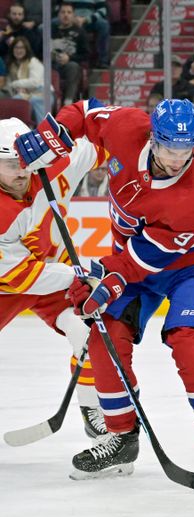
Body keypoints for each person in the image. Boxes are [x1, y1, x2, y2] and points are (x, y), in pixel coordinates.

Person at [14, 99, 194, 479]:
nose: (178, 160)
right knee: (102, 335)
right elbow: (86, 112)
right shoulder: (129, 126)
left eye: (187, 150)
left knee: (191, 341)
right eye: (169, 150)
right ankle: (121, 435)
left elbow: (143, 259)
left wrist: (106, 278)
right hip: (132, 259)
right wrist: (53, 133)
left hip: (191, 268)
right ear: (152, 139)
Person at [0, 116, 105, 441]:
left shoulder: (55, 167)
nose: (20, 172)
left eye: (23, 162)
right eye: (8, 164)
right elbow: (19, 276)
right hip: (8, 285)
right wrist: (80, 274)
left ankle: (94, 414)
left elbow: (105, 141)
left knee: (89, 333)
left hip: (52, 274)